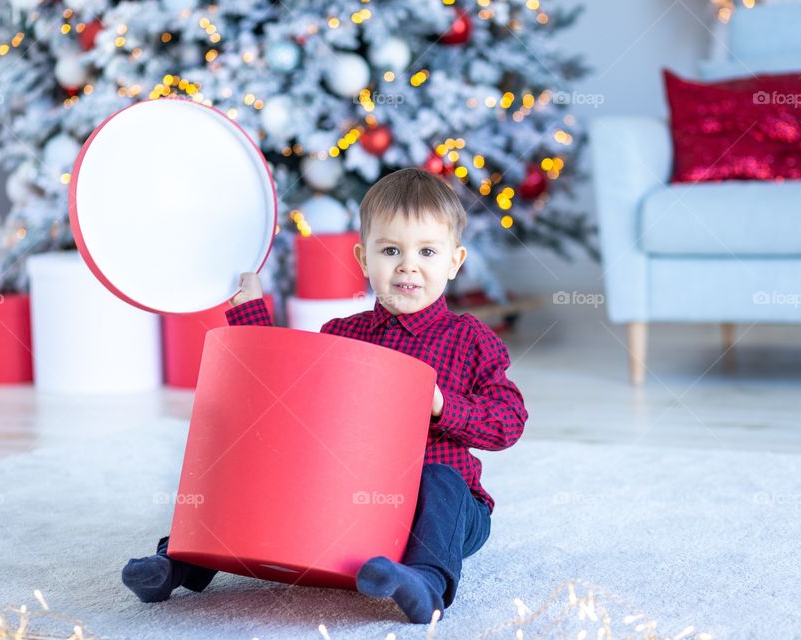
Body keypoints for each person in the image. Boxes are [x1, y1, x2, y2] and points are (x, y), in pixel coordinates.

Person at [122, 167, 528, 623]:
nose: (407, 265)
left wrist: (441, 406)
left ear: (454, 262)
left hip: (443, 511)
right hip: (349, 502)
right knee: (248, 460)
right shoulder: (343, 333)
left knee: (441, 481)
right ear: (362, 259)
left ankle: (425, 581)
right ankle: (178, 561)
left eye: (427, 251)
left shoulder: (471, 338)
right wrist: (251, 309)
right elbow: (284, 393)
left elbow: (509, 421)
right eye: (390, 250)